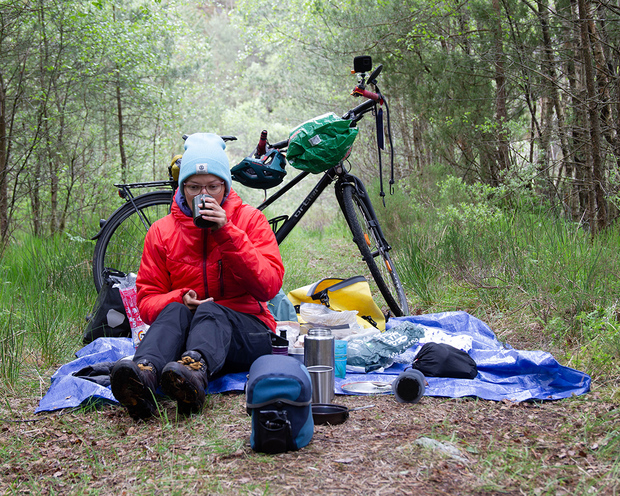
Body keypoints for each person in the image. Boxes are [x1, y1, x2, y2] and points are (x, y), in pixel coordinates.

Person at [110, 133, 285, 420]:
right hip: (188, 335)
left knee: (212, 310)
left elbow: (268, 286)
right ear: (181, 188)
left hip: (247, 333)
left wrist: (227, 232)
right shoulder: (162, 232)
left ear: (225, 186)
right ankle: (143, 378)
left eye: (213, 186)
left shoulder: (251, 220)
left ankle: (192, 377)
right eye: (193, 187)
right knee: (176, 309)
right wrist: (179, 297)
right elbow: (147, 301)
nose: (203, 195)